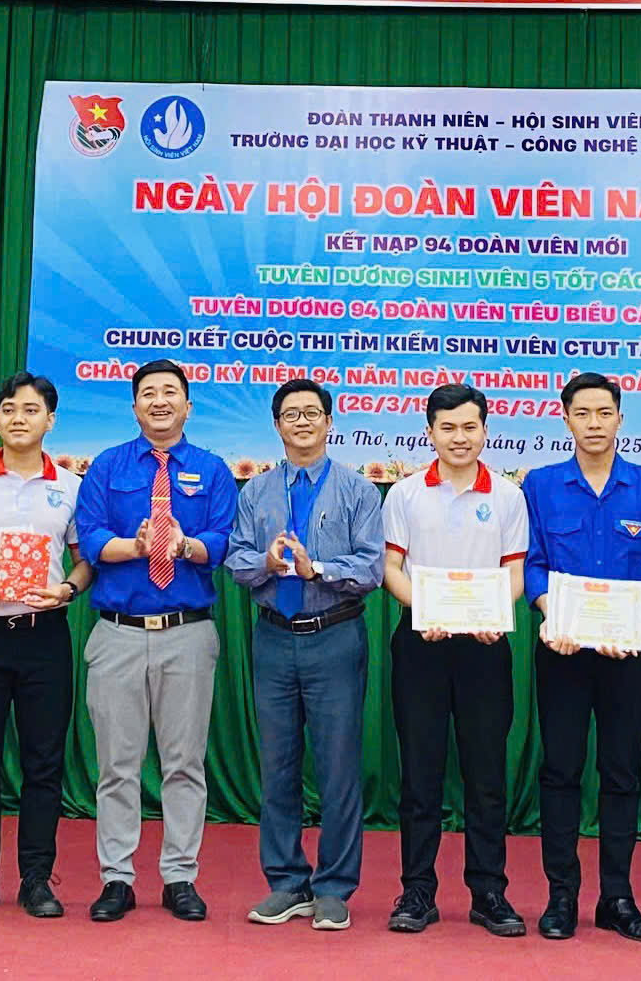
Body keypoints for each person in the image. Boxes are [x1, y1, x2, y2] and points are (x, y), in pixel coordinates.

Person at [71, 358, 238, 923]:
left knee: (184, 763)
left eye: (170, 392)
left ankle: (180, 876)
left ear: (188, 405)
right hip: (117, 634)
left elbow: (222, 540)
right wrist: (137, 547)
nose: (159, 401)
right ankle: (116, 878)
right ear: (134, 405)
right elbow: (91, 536)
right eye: (148, 393)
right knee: (116, 766)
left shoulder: (212, 469)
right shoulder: (107, 466)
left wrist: (184, 545)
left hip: (187, 634)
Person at [223, 379, 383, 933]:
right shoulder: (256, 491)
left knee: (338, 768)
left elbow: (372, 567)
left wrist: (320, 570)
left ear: (329, 421)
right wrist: (267, 563)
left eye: (312, 412)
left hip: (335, 635)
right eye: (291, 414)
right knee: (278, 766)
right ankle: (287, 882)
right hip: (273, 637)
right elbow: (235, 560)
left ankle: (334, 887)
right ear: (277, 426)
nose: (302, 422)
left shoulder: (358, 490)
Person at [519, 372, 641, 943]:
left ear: (620, 420)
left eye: (604, 413)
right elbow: (533, 562)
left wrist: (633, 621)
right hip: (562, 650)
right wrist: (548, 609)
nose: (593, 423)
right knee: (560, 771)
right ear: (565, 420)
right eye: (582, 413)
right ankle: (561, 895)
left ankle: (617, 897)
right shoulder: (541, 485)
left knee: (622, 772)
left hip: (626, 653)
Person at [0, 372, 92, 919]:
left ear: (51, 420)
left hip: (43, 636)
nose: (18, 418)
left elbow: (84, 560)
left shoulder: (72, 487)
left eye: (30, 409)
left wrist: (67, 588)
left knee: (43, 763)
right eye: (8, 409)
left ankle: (36, 878)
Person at [381, 383, 529, 938]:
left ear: (485, 430)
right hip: (421, 644)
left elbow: (514, 572)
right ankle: (417, 891)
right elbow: (390, 569)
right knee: (420, 775)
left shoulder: (508, 496)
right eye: (448, 428)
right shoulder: (405, 494)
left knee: (486, 775)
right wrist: (424, 609)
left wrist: (497, 613)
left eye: (469, 426)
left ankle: (489, 891)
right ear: (430, 433)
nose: (459, 437)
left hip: (484, 647)